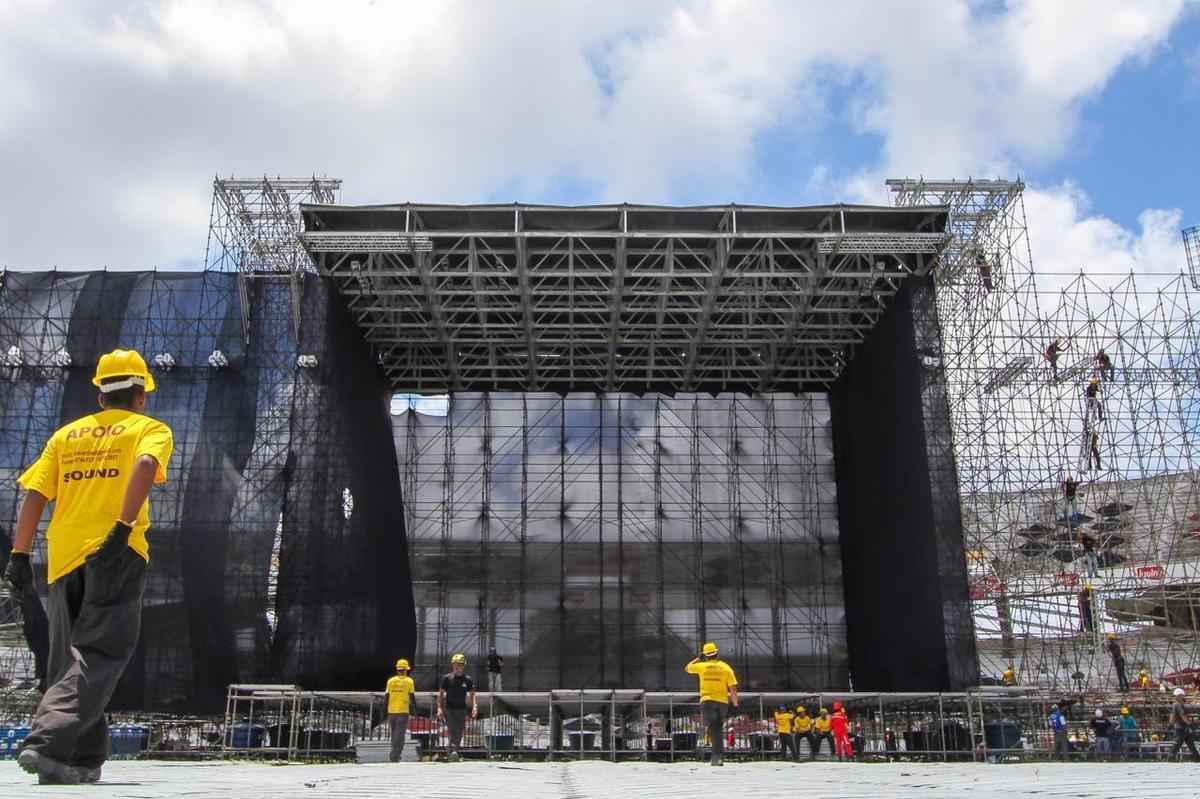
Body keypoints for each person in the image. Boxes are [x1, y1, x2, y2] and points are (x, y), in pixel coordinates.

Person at [4, 350, 173, 786]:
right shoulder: (148, 429)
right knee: (101, 652)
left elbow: (36, 495)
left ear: (100, 396)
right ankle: (46, 740)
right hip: (115, 553)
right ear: (141, 396)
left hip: (61, 557)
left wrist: (19, 555)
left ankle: (78, 759)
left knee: (69, 661)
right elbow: (145, 465)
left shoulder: (66, 436)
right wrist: (121, 527)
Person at [685, 641, 738, 767]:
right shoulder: (726, 667)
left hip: (707, 701)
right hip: (722, 702)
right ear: (717, 654)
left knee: (713, 728)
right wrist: (735, 704)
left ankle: (716, 757)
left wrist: (698, 658)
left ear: (705, 655)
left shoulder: (701, 666)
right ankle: (718, 757)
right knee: (717, 728)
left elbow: (687, 668)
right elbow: (733, 688)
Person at [436, 652, 477, 761]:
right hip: (449, 708)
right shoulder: (447, 678)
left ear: (463, 666)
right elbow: (440, 694)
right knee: (452, 729)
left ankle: (453, 752)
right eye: (455, 664)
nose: (457, 666)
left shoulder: (467, 680)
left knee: (459, 731)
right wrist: (439, 708)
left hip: (461, 709)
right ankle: (453, 752)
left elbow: (473, 694)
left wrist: (474, 707)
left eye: (459, 664)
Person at [386, 658, 416, 762]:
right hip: (403, 711)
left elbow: (387, 696)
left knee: (395, 734)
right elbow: (412, 697)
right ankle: (394, 755)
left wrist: (384, 710)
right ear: (406, 670)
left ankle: (395, 754)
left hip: (391, 711)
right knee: (399, 735)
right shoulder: (409, 681)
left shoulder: (390, 681)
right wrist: (415, 710)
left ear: (397, 669)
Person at [1170, 687, 1200, 762]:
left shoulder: (1177, 704)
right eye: (1182, 695)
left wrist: (1170, 724)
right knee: (1177, 744)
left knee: (1191, 744)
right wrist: (1190, 724)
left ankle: (1197, 759)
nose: (1183, 697)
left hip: (1184, 728)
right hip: (1181, 728)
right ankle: (1170, 759)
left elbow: (1173, 716)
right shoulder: (1177, 705)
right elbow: (1182, 716)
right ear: (1179, 696)